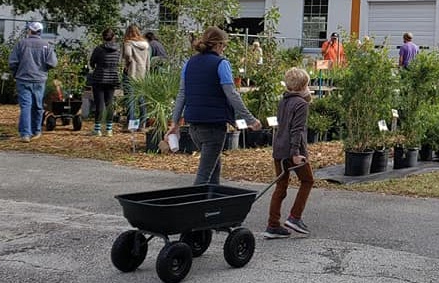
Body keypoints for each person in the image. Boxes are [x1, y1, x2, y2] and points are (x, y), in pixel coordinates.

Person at [167, 27, 261, 185]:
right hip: (213, 126)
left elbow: (182, 94)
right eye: (224, 46)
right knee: (204, 176)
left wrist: (174, 123)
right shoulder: (221, 64)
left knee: (213, 168)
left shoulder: (189, 63)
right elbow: (232, 94)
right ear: (217, 45)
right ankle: (195, 207)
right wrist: (250, 119)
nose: (224, 49)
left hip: (194, 126)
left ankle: (213, 204)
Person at [263, 67, 314, 239]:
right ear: (303, 86)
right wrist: (295, 152)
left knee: (281, 186)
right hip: (293, 150)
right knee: (307, 180)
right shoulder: (301, 104)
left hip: (279, 148)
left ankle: (273, 223)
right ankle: (295, 216)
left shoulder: (283, 101)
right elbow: (297, 130)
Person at [8, 22, 57, 142]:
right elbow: (53, 63)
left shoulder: (21, 44)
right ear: (41, 31)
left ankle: (25, 134)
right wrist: (43, 70)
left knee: (26, 106)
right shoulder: (46, 45)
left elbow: (12, 62)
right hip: (39, 80)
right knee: (38, 106)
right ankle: (37, 131)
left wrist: (16, 73)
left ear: (29, 31)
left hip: (23, 79)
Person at [89, 28, 121, 136]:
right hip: (112, 78)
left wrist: (96, 66)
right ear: (113, 37)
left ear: (103, 37)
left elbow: (92, 62)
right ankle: (109, 129)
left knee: (99, 103)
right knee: (109, 103)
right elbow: (118, 62)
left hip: (99, 77)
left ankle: (97, 129)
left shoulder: (99, 49)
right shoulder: (118, 50)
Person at [122, 25, 151, 129]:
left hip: (131, 73)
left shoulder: (128, 43)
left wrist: (128, 62)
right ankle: (143, 123)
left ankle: (132, 124)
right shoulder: (146, 45)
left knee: (131, 99)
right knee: (141, 99)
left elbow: (127, 54)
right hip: (142, 74)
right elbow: (148, 61)